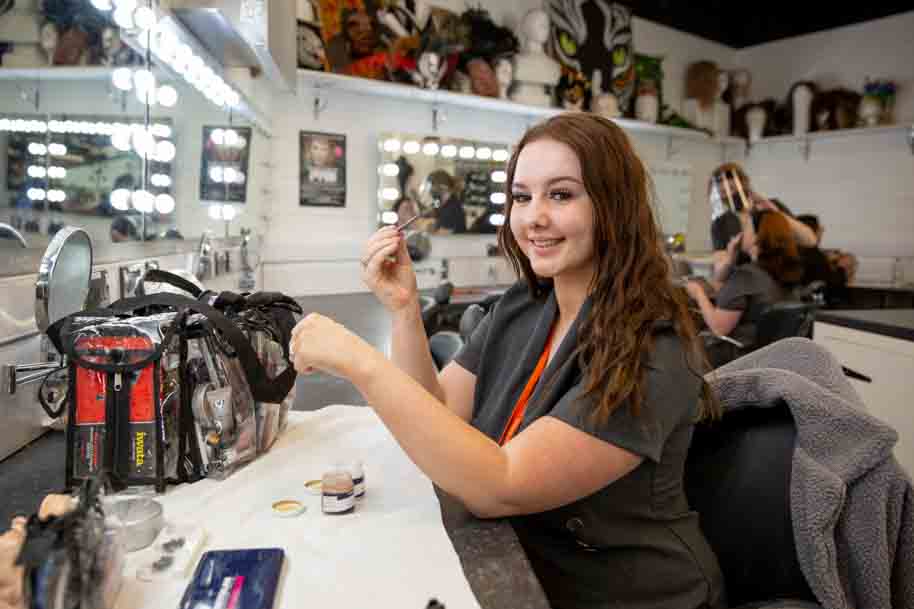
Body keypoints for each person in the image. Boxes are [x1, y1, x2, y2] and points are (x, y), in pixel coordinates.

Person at [289, 113, 725, 609]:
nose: (533, 216)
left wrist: (359, 362)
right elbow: (437, 410)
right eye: (521, 196)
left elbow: (500, 485)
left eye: (561, 194)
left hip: (627, 594)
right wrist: (405, 310)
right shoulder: (522, 307)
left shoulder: (653, 347)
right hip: (520, 561)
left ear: (614, 206)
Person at [688, 210, 802, 363]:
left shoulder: (745, 276)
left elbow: (719, 328)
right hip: (770, 359)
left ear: (756, 237)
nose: (741, 232)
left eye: (746, 227)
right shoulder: (785, 274)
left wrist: (698, 293)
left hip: (737, 359)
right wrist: (729, 262)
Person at [707, 162, 816, 289]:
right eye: (722, 191)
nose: (728, 195)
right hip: (747, 288)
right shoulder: (721, 223)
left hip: (783, 286)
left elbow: (810, 240)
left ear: (745, 184)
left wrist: (775, 212)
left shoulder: (771, 207)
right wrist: (731, 257)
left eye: (732, 188)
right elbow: (720, 272)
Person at [795, 214, 856, 288]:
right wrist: (842, 268)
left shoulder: (796, 250)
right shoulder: (812, 254)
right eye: (819, 229)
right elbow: (832, 281)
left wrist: (826, 258)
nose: (822, 231)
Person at [424, 170, 466, 234]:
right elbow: (434, 217)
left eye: (433, 185)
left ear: (444, 187)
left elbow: (441, 236)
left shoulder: (452, 208)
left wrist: (430, 230)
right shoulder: (443, 203)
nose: (431, 190)